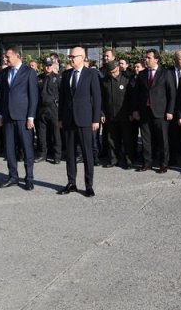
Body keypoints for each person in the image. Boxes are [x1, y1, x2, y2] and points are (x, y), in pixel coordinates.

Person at [58, 46, 101, 197]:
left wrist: (96, 119)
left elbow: (96, 98)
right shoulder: (66, 74)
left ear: (82, 57)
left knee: (87, 153)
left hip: (85, 120)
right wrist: (60, 118)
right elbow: (62, 99)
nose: (70, 59)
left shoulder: (91, 74)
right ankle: (71, 183)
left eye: (73, 56)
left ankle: (89, 185)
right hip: (69, 120)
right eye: (70, 56)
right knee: (70, 154)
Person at [0, 46, 39, 190]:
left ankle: (29, 178)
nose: (5, 59)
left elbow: (33, 97)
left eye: (7, 56)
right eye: (4, 56)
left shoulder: (29, 72)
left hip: (23, 117)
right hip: (8, 116)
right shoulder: (4, 73)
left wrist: (31, 117)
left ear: (17, 56)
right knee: (9, 149)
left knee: (27, 148)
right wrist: (0, 114)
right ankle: (13, 176)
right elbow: (2, 95)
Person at [133, 49, 176, 173]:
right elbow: (137, 94)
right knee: (146, 140)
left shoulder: (165, 73)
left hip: (160, 112)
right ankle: (147, 163)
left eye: (149, 58)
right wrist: (136, 110)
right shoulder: (142, 74)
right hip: (145, 112)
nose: (146, 60)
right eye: (145, 57)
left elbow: (172, 94)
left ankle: (163, 164)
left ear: (156, 59)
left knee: (162, 140)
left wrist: (170, 111)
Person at [100, 61, 134, 169]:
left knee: (127, 139)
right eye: (110, 72)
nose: (113, 74)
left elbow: (131, 99)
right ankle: (113, 159)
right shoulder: (104, 82)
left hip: (124, 115)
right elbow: (101, 99)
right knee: (112, 139)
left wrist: (131, 113)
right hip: (110, 115)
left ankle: (129, 161)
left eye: (114, 72)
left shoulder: (126, 80)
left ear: (118, 68)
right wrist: (102, 113)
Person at [36, 58, 62, 164]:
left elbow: (62, 94)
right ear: (43, 66)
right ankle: (42, 154)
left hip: (54, 108)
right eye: (46, 65)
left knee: (56, 134)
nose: (48, 67)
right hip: (41, 108)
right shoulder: (38, 78)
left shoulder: (58, 78)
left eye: (50, 65)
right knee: (41, 134)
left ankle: (57, 156)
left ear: (53, 66)